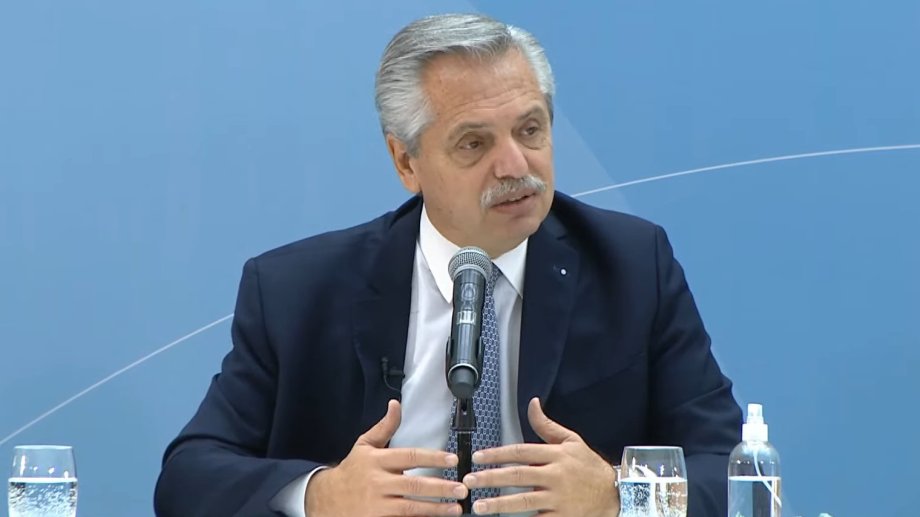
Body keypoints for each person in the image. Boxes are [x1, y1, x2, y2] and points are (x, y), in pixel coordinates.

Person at [154, 13, 741, 517]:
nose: (515, 165)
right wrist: (323, 495)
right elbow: (188, 478)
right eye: (473, 144)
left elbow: (736, 472)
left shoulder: (633, 266)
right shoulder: (297, 291)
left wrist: (617, 493)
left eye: (530, 130)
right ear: (405, 162)